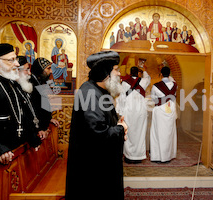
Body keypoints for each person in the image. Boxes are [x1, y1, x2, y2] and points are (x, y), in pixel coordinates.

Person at [65, 51, 128, 200]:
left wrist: (118, 120)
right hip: (93, 169)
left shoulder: (100, 91)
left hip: (100, 163)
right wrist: (121, 129)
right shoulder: (90, 93)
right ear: (105, 73)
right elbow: (97, 132)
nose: (119, 74)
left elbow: (103, 118)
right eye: (116, 69)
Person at [0, 43, 36, 164]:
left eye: (16, 60)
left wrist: (31, 136)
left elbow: (20, 114)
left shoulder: (11, 83)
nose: (17, 64)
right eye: (11, 60)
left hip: (15, 151)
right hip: (2, 155)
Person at [118, 66, 150, 163]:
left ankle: (128, 156)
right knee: (140, 133)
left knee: (129, 132)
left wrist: (121, 111)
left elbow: (122, 98)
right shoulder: (143, 81)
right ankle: (138, 157)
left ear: (130, 73)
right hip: (140, 111)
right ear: (138, 73)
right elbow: (148, 77)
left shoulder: (124, 83)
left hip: (129, 111)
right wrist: (143, 70)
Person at [150, 67, 177, 162]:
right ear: (169, 74)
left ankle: (158, 156)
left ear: (161, 74)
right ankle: (168, 156)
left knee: (157, 132)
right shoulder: (175, 85)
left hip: (160, 109)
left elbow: (153, 98)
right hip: (171, 109)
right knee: (169, 132)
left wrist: (162, 100)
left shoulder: (155, 86)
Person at [31, 57, 59, 141]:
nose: (51, 71)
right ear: (40, 69)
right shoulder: (32, 84)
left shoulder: (40, 82)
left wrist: (49, 119)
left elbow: (44, 106)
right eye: (48, 68)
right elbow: (35, 109)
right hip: (37, 131)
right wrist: (41, 128)